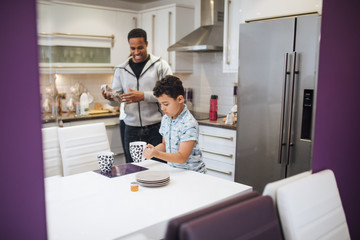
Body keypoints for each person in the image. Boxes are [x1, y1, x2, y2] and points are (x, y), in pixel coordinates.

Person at [103, 28, 172, 163]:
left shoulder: (160, 65)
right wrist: (110, 99)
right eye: (132, 48)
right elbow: (117, 100)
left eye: (140, 48)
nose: (136, 52)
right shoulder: (121, 69)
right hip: (131, 128)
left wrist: (144, 96)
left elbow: (170, 93)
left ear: (146, 44)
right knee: (133, 168)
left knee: (158, 165)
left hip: (156, 127)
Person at [143, 75, 206, 173]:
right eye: (160, 104)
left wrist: (156, 154)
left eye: (166, 104)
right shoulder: (166, 118)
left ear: (180, 99)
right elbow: (164, 144)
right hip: (174, 171)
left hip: (193, 174)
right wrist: (151, 151)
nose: (162, 108)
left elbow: (181, 157)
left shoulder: (189, 123)